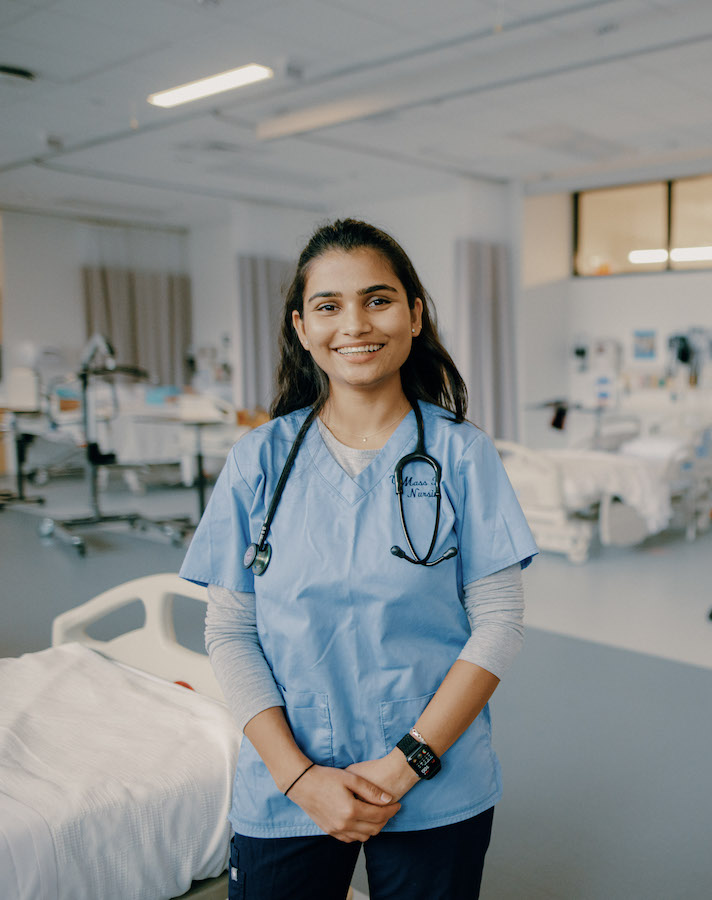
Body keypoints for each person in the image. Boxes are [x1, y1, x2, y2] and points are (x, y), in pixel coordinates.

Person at [180, 218, 538, 900]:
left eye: (378, 299)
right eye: (329, 305)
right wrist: (298, 778)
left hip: (433, 779)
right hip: (289, 783)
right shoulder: (260, 459)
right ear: (302, 326)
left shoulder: (463, 455)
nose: (355, 323)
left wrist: (409, 762)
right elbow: (231, 630)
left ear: (414, 314)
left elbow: (497, 623)